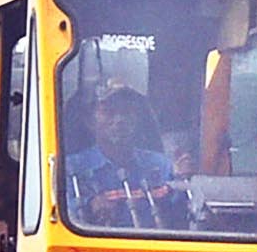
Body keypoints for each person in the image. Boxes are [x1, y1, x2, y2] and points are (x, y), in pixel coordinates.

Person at [62, 86, 189, 229]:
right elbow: (58, 212)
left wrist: (184, 181)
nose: (119, 119)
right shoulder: (70, 168)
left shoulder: (161, 165)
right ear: (90, 120)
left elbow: (184, 213)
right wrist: (90, 205)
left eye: (127, 112)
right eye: (109, 111)